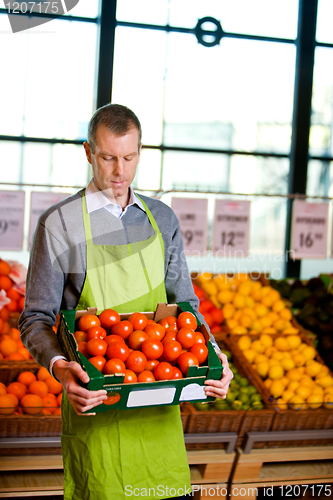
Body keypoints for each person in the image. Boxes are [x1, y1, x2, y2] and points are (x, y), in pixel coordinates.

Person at [19, 104, 233, 500]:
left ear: (140, 153)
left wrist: (214, 357)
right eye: (108, 158)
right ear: (88, 153)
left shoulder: (162, 219)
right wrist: (61, 368)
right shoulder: (60, 223)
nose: (120, 171)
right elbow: (34, 317)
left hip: (159, 405)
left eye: (129, 158)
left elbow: (184, 305)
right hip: (98, 404)